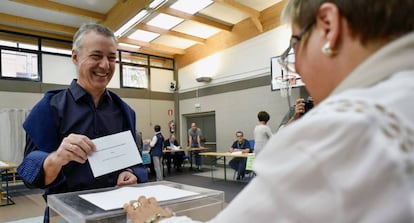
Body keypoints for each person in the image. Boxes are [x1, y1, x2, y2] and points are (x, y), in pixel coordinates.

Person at [124, 0, 414, 222]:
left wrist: (155, 218)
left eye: (295, 45)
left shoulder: (343, 126)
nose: (297, 66)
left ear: (329, 25)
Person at [16, 23, 148, 223]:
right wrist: (56, 157)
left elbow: (136, 162)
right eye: (96, 56)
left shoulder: (124, 111)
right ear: (75, 57)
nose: (105, 65)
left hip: (116, 213)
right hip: (66, 215)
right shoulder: (49, 107)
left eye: (111, 58)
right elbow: (28, 172)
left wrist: (130, 173)